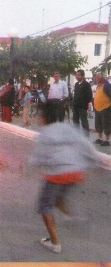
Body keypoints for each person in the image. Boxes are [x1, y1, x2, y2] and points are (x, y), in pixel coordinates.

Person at [28, 101, 99, 254]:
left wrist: (29, 170)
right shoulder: (70, 128)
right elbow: (86, 145)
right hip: (76, 173)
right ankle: (70, 217)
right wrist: (94, 162)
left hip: (58, 174)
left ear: (44, 116)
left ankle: (55, 243)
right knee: (58, 196)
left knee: (44, 206)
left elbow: (38, 158)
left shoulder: (45, 134)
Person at [72, 69, 93, 137]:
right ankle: (76, 136)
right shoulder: (76, 84)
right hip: (75, 106)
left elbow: (89, 95)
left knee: (84, 122)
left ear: (82, 76)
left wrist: (88, 104)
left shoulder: (86, 84)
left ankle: (86, 136)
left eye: (78, 75)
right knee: (75, 122)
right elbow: (75, 95)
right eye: (76, 75)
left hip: (82, 107)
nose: (77, 76)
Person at [94, 72, 111, 146]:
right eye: (96, 77)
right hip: (97, 108)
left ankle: (107, 140)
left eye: (97, 77)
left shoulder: (107, 86)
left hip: (105, 108)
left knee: (106, 124)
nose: (96, 78)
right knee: (98, 124)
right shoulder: (98, 86)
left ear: (101, 78)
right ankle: (100, 138)